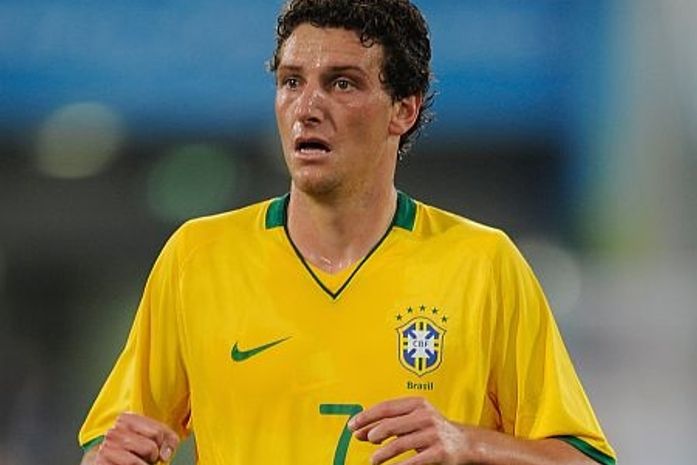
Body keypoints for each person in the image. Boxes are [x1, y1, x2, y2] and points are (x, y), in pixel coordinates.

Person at [78, 1, 617, 464]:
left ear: (403, 109)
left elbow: (584, 458)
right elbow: (110, 445)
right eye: (292, 82)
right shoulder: (198, 257)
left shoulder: (483, 264)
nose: (307, 108)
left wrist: (470, 442)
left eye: (342, 83)